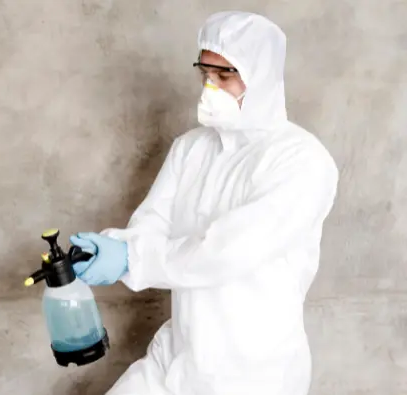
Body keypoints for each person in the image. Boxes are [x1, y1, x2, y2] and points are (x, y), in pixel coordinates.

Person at [69, 11, 339, 395]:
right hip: (179, 355)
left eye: (224, 76)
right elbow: (154, 221)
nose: (209, 87)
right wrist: (114, 247)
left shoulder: (301, 161)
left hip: (253, 372)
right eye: (205, 74)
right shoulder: (191, 148)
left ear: (260, 75)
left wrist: (133, 259)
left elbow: (228, 249)